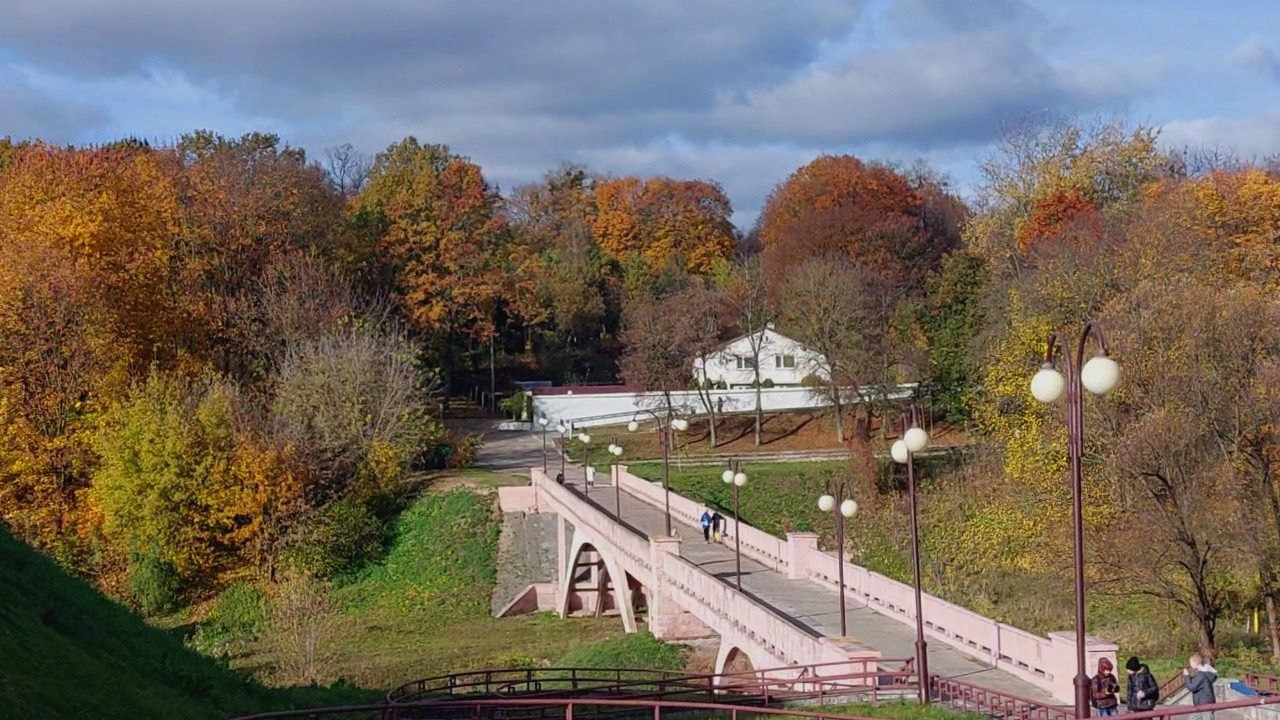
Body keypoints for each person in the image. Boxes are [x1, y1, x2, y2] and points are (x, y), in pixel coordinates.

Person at [1184, 652, 1217, 720]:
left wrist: (1187, 676)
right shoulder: (1202, 673)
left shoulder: (1202, 675)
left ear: (1195, 663)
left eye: (1191, 662)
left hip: (1205, 705)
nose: (1190, 664)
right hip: (1201, 705)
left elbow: (1191, 687)